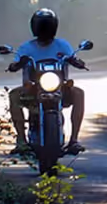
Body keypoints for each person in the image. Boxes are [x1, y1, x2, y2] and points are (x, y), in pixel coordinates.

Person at [7, 8, 86, 155]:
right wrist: (17, 64)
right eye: (42, 25)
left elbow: (74, 59)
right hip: (32, 89)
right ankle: (22, 140)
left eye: (47, 25)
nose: (44, 29)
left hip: (60, 88)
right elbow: (14, 64)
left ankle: (74, 140)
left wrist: (77, 62)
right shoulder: (26, 47)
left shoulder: (63, 45)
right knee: (14, 95)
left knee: (79, 94)